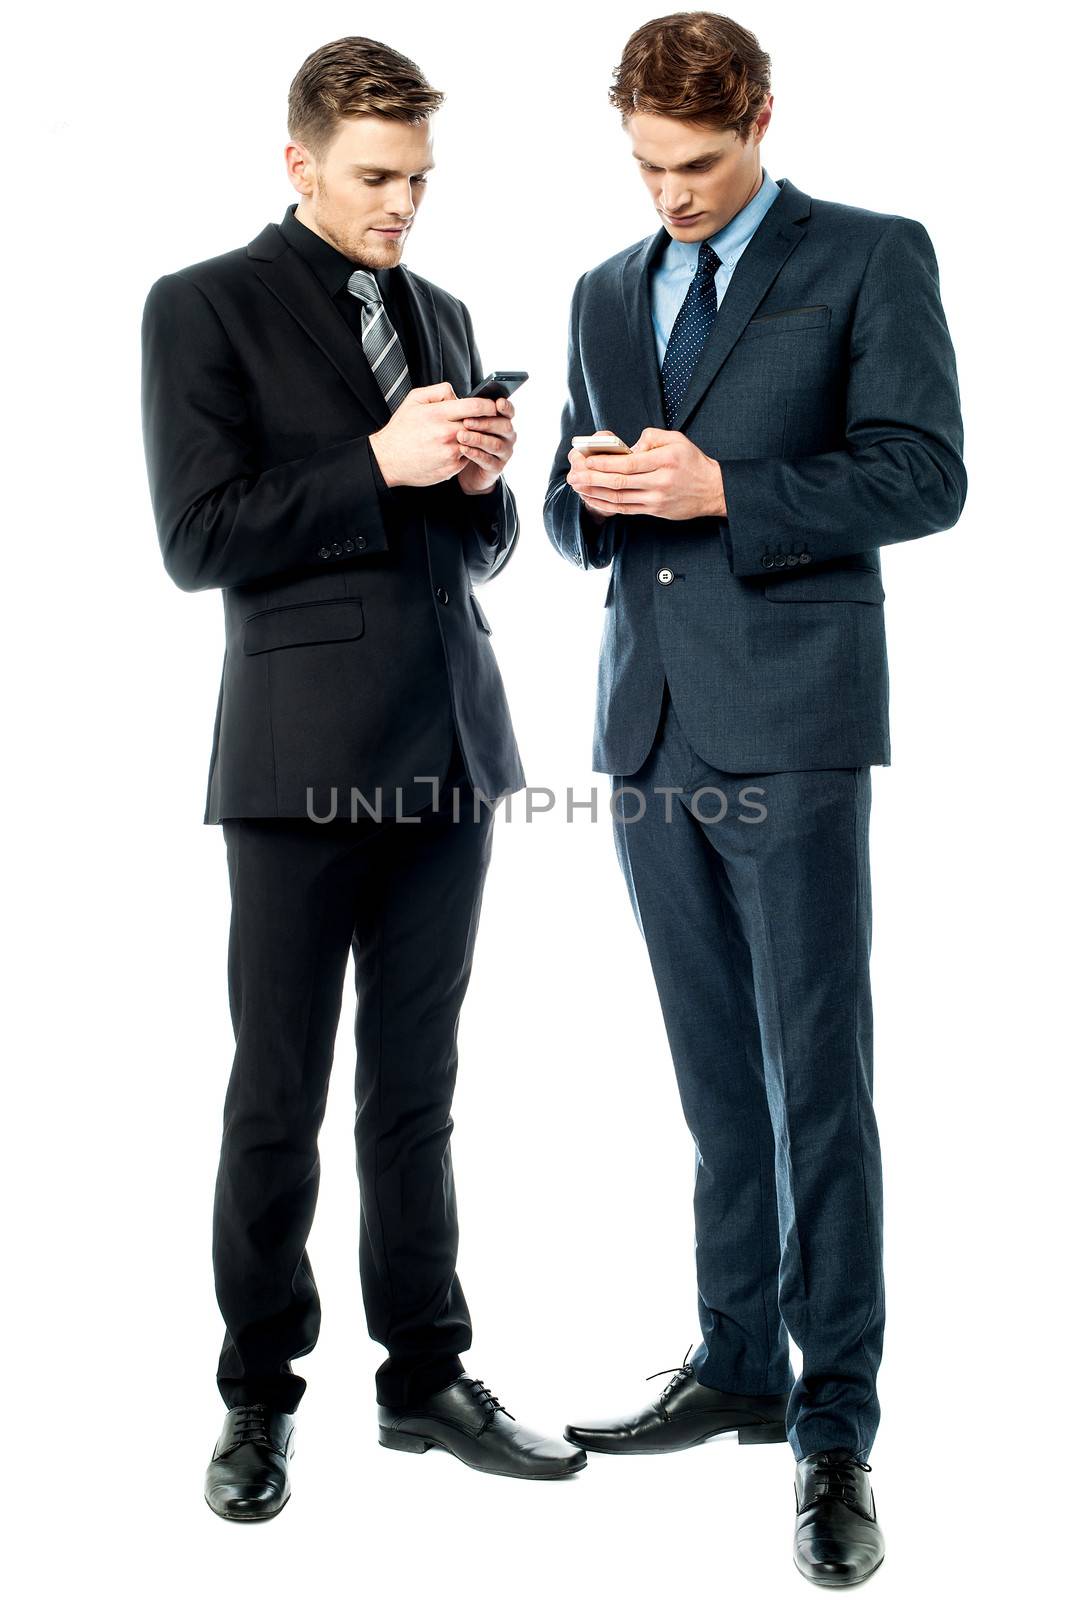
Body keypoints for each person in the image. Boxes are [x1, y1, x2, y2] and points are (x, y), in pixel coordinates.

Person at [544, 10, 964, 1586]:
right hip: (645, 725)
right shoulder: (602, 286)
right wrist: (567, 492)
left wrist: (731, 491)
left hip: (791, 720)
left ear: (763, 120)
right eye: (648, 167)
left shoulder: (866, 255)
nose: (673, 197)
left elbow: (925, 472)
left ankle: (834, 1423)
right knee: (716, 1080)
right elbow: (585, 512)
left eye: (699, 166)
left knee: (815, 1085)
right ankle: (734, 1364)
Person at [141, 33, 586, 1521]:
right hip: (297, 759)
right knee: (276, 1092)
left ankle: (426, 1379)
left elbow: (469, 552)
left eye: (419, 180)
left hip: (449, 741)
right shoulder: (202, 305)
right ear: (300, 164)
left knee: (419, 1093)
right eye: (375, 179)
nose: (402, 207)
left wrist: (475, 484)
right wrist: (374, 461)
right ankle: (257, 1397)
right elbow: (200, 536)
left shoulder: (442, 311)